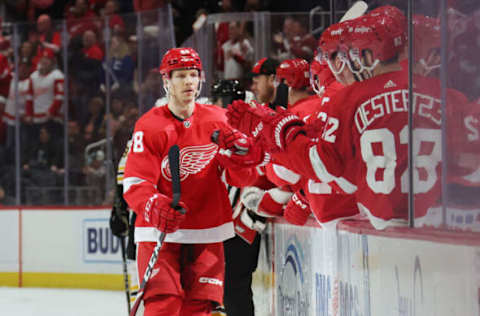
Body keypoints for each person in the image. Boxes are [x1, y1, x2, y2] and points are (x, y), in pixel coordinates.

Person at [221, 9, 438, 230]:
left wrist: (273, 138)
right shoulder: (443, 94)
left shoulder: (348, 98)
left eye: (343, 55)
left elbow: (325, 165)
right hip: (436, 219)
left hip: (372, 219)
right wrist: (270, 154)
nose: (341, 66)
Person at [122, 47, 256, 316]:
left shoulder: (219, 120)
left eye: (193, 75)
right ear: (166, 81)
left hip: (207, 229)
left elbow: (242, 178)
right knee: (164, 305)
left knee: (199, 310)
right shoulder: (149, 126)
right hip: (160, 231)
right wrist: (155, 206)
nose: (189, 82)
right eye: (181, 75)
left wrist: (242, 154)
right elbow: (135, 182)